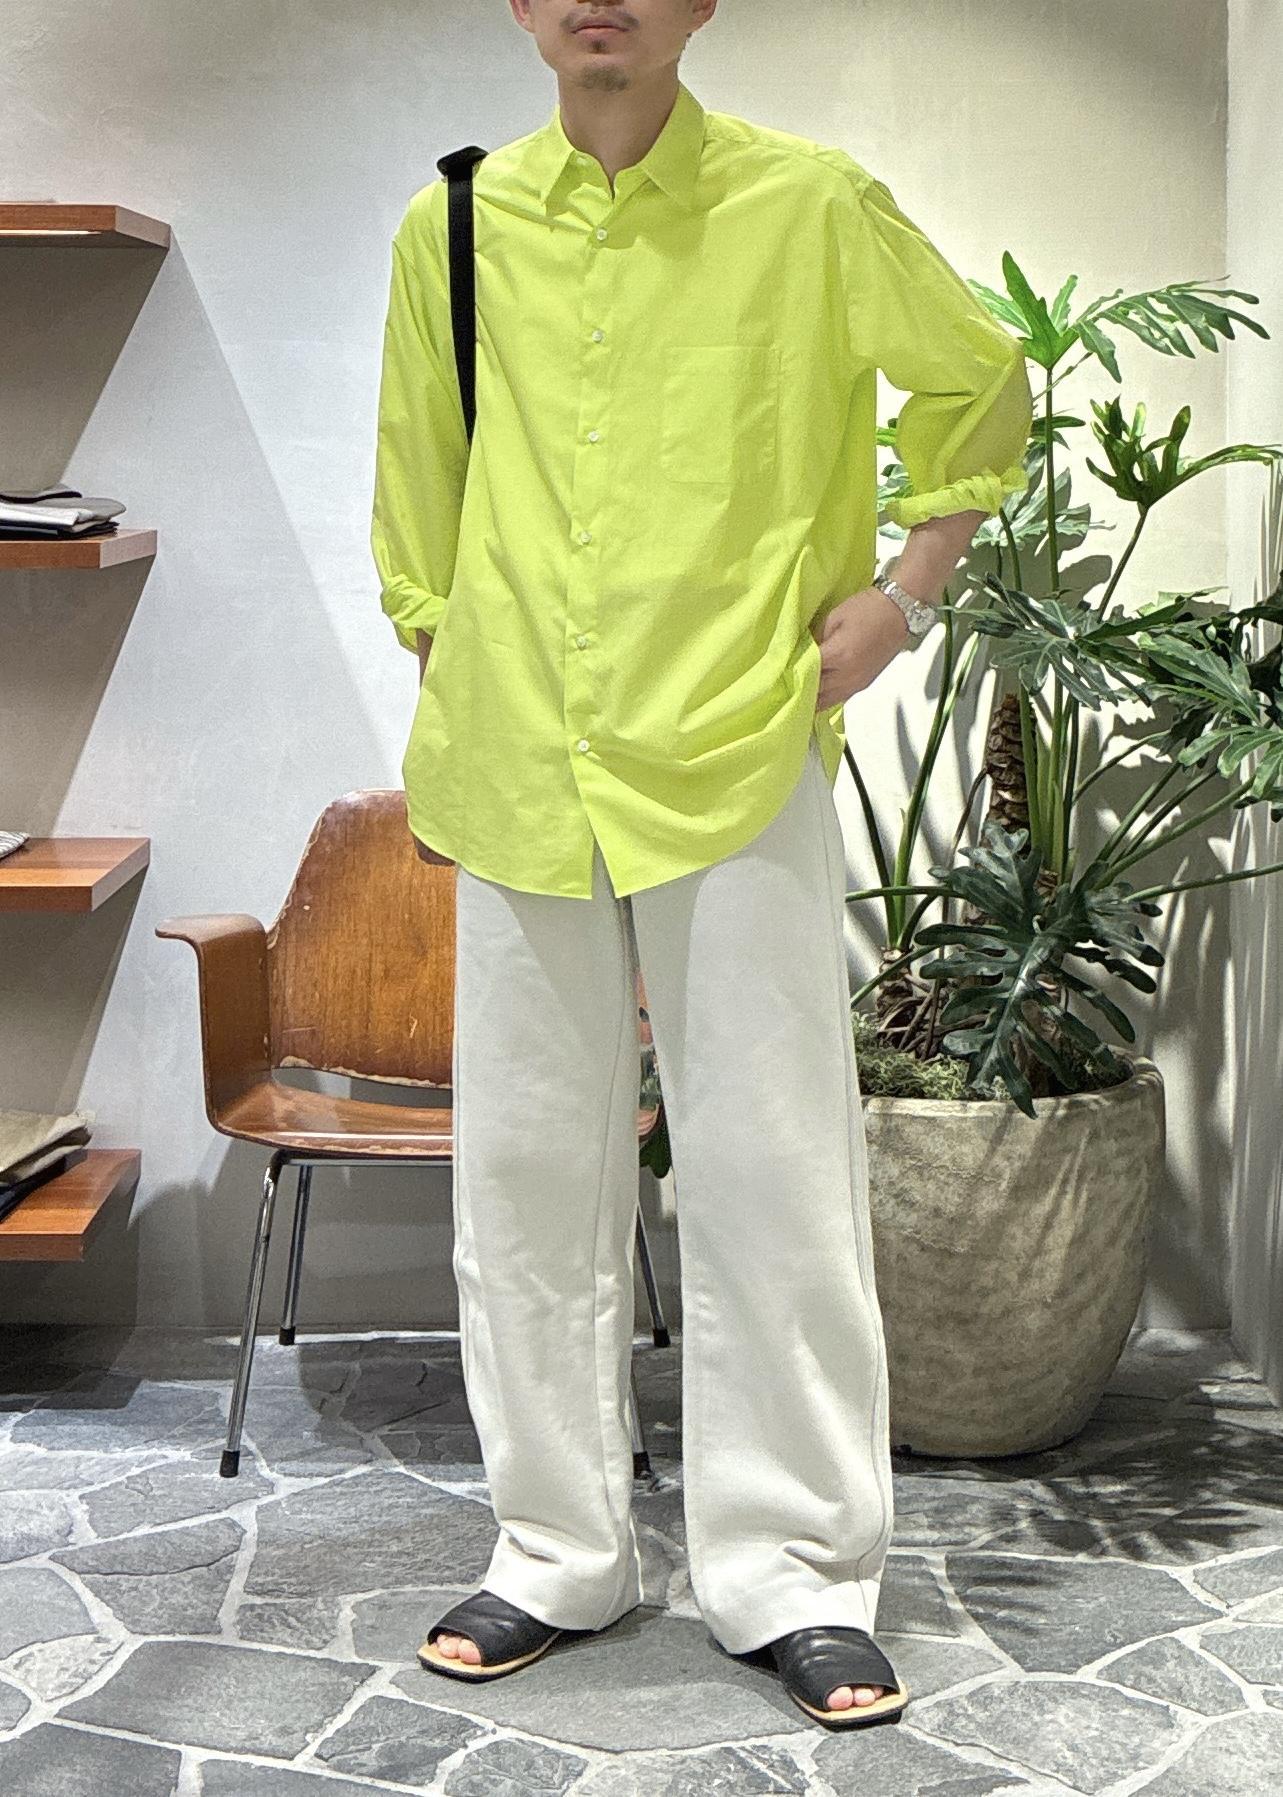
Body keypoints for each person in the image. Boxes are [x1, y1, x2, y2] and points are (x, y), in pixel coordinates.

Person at [370, 0, 1032, 1731]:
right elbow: (419, 493)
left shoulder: (809, 205)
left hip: (736, 749)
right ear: (523, 5)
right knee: (526, 1178)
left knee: (770, 1167)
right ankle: (555, 1547)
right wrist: (460, 661)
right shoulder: (452, 225)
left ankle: (793, 1566)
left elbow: (979, 377)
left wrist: (902, 599)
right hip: (522, 768)